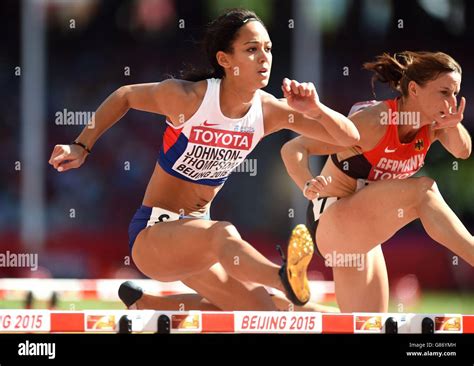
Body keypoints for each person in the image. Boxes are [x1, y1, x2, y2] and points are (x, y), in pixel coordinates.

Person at [48, 9, 358, 311]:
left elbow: (348, 137)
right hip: (154, 235)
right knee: (223, 234)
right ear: (224, 60)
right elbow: (126, 94)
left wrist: (316, 109)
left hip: (198, 239)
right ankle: (282, 276)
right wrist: (81, 145)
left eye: (268, 48)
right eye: (251, 49)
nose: (264, 57)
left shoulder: (268, 111)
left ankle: (148, 304)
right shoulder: (188, 99)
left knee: (269, 309)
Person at [281, 51, 473, 312]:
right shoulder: (374, 123)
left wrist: (452, 125)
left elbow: (463, 151)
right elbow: (294, 148)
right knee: (423, 192)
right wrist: (306, 184)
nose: (452, 102)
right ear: (414, 89)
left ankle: (282, 305)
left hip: (359, 234)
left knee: (369, 325)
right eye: (444, 92)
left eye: (455, 93)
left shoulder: (436, 125)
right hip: (332, 218)